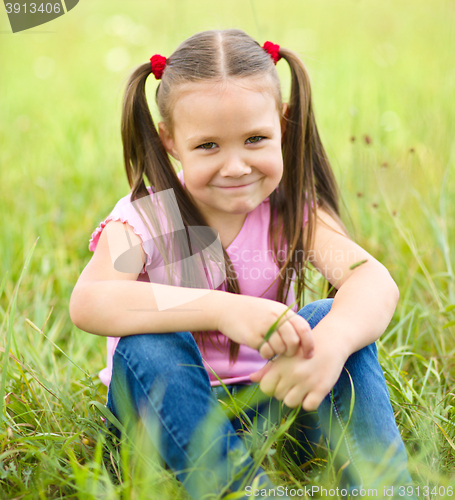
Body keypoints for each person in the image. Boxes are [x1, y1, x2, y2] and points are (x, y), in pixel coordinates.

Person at [69, 29, 416, 499]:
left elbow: (370, 279)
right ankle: (244, 491)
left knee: (332, 317)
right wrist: (222, 310)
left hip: (274, 397)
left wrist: (333, 343)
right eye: (209, 146)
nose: (235, 166)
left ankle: (387, 489)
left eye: (255, 139)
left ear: (283, 123)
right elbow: (92, 301)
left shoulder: (292, 211)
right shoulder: (148, 219)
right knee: (150, 340)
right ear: (170, 141)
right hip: (161, 417)